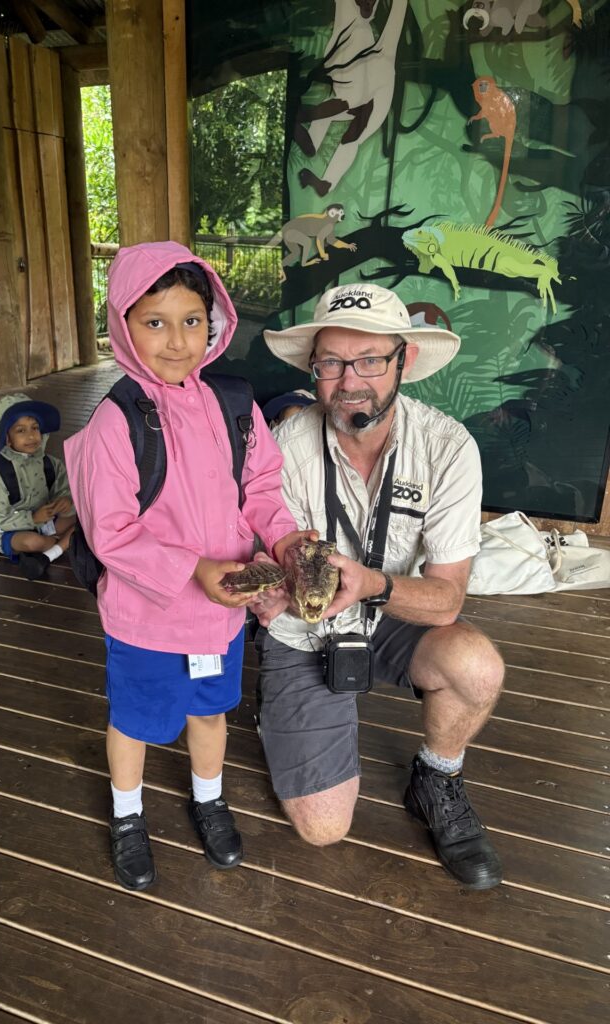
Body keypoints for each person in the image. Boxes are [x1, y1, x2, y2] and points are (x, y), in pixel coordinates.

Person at [64, 241, 307, 892]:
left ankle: (209, 800)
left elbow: (261, 487)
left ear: (213, 321)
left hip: (221, 618)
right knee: (135, 721)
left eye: (192, 320)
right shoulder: (113, 423)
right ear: (123, 326)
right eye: (155, 322)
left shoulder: (233, 404)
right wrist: (196, 570)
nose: (177, 341)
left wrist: (285, 540)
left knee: (210, 711)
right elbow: (111, 532)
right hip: (147, 619)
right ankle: (127, 815)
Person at [253, 282, 505, 890]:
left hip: (391, 610)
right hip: (307, 627)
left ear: (404, 361)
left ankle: (437, 776)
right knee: (323, 828)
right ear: (313, 368)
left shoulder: (448, 448)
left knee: (476, 665)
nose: (350, 382)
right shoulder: (282, 447)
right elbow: (272, 552)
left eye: (369, 360)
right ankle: (279, 710)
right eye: (332, 363)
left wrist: (371, 584)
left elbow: (447, 599)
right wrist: (269, 585)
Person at [0, 393, 75, 581]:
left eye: (35, 428)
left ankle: (50, 550)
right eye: (20, 430)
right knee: (32, 542)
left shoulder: (51, 464)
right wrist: (32, 518)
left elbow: (65, 491)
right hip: (8, 529)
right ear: (6, 437)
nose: (31, 435)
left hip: (44, 523)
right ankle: (60, 545)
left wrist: (65, 502)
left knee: (84, 519)